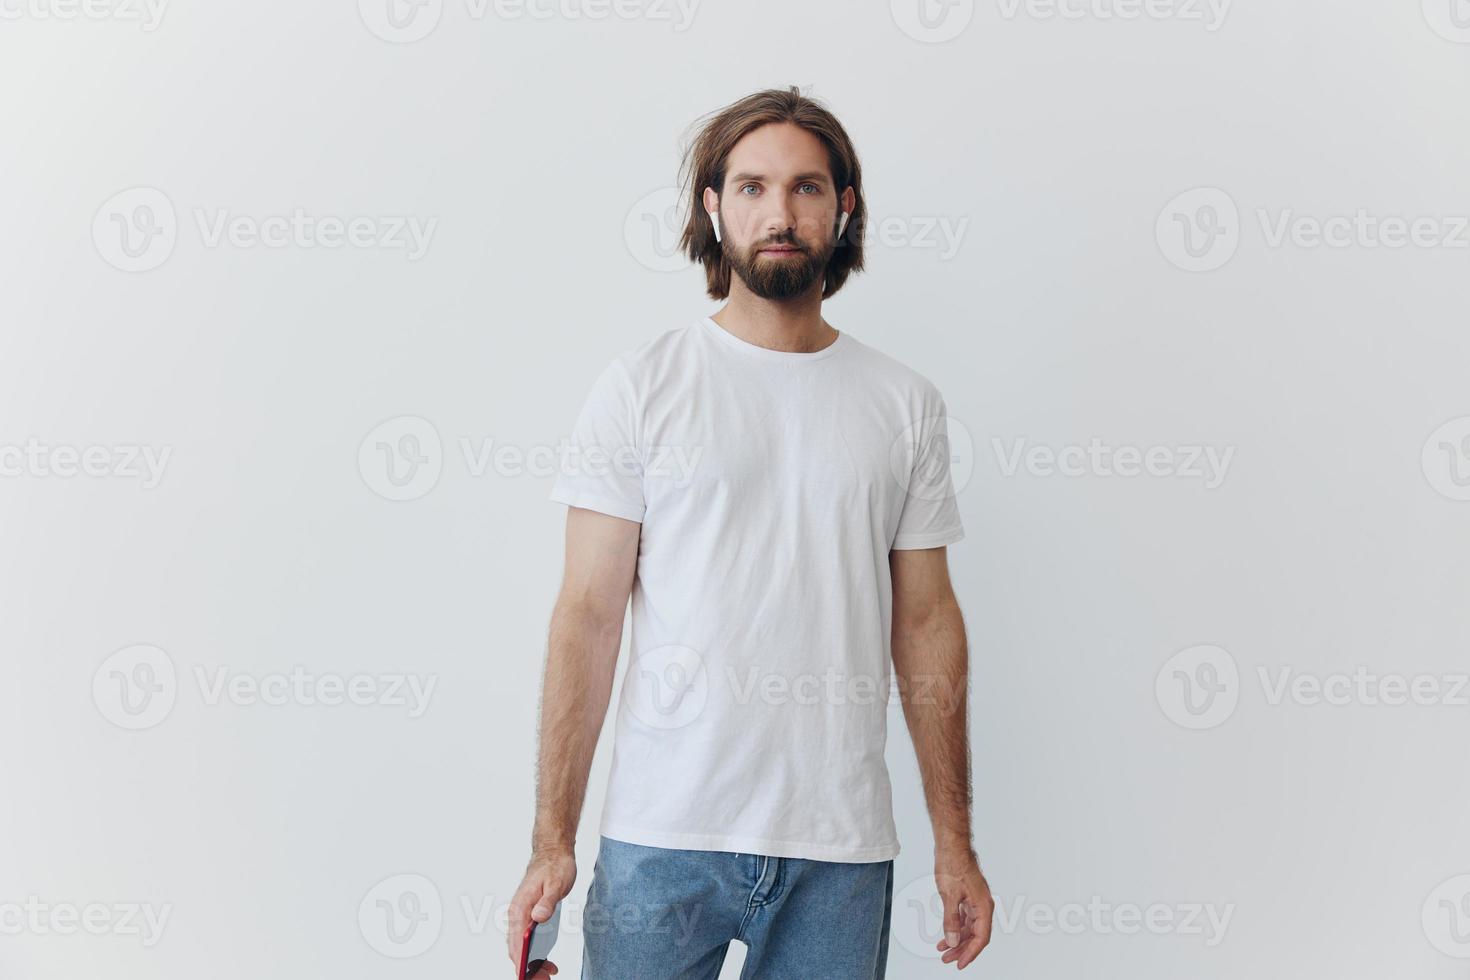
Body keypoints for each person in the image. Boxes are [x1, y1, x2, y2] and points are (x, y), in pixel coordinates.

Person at [506, 85, 994, 979]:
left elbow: (926, 626)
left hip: (838, 848)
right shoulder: (642, 386)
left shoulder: (904, 405)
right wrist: (552, 841)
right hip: (662, 836)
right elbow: (587, 614)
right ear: (712, 207)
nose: (780, 212)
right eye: (753, 187)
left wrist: (954, 844)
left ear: (843, 209)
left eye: (808, 188)